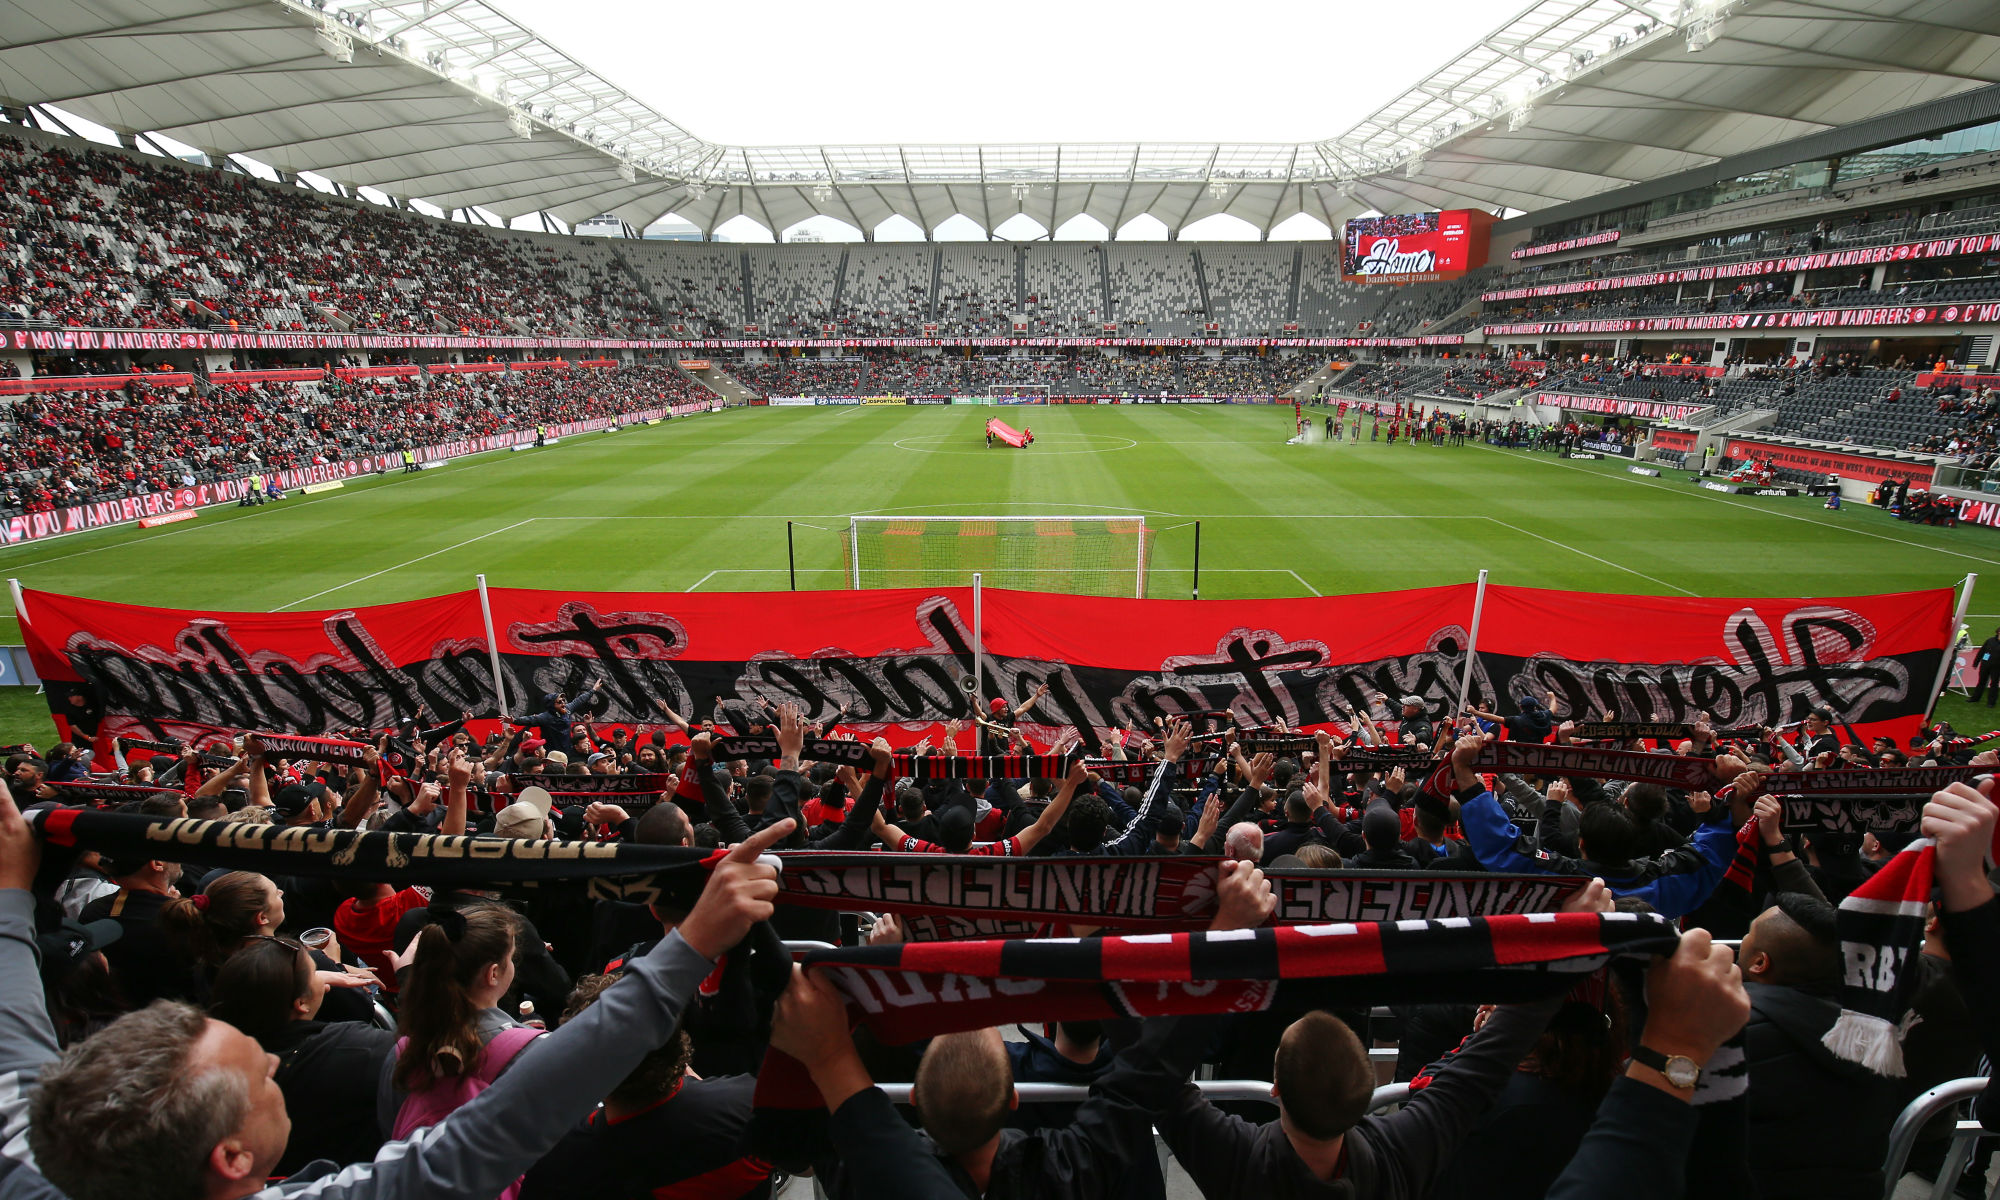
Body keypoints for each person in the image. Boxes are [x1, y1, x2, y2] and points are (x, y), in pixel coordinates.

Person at [4, 775, 797, 1200]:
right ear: (232, 1157)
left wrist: (11, 892)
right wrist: (694, 943)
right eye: (257, 1073)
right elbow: (528, 1104)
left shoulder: (41, 1159)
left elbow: (14, 1040)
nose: (275, 1060)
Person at [766, 858, 1278, 1199]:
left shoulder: (863, 1176)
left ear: (914, 1098)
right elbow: (1148, 1075)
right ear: (1014, 1099)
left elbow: (799, 1126)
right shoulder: (1065, 1175)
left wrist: (880, 970)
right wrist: (1224, 936)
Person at [208, 936, 396, 1177]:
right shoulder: (359, 1049)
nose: (322, 980)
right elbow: (418, 1054)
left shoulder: (217, 1065)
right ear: (300, 1003)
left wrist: (310, 981)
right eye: (314, 973)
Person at [1970, 626, 2000, 706]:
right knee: (1981, 681)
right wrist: (1976, 662)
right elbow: (1982, 651)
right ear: (1998, 632)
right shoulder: (1990, 640)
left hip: (1997, 667)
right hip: (1985, 664)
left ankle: (1991, 702)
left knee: (1994, 684)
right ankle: (1975, 698)